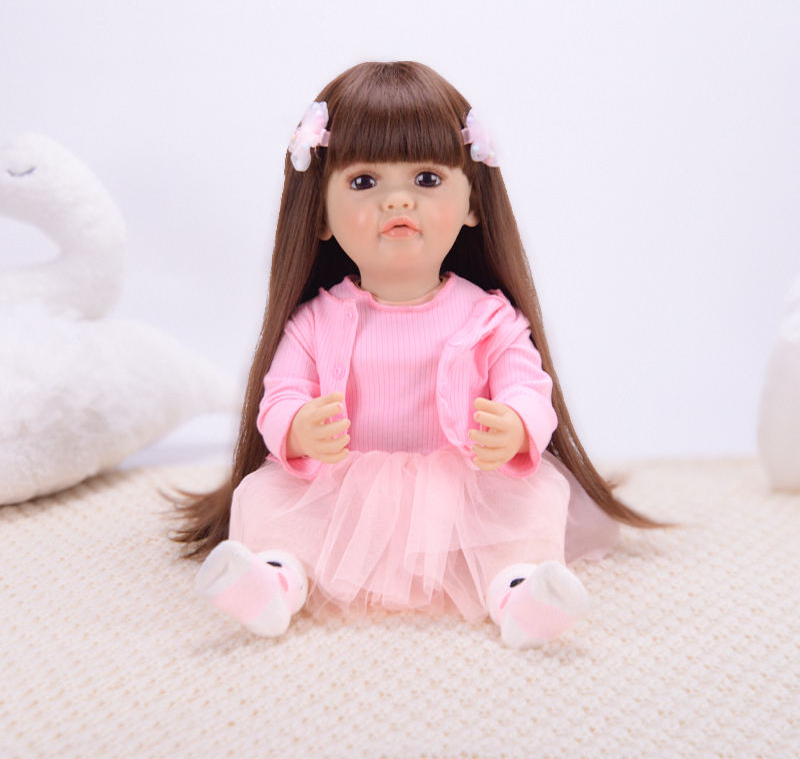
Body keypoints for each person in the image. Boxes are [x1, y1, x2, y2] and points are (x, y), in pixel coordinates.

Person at [171, 61, 661, 649]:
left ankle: (518, 591)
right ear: (320, 214)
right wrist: (297, 429)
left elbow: (529, 389)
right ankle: (275, 581)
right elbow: (280, 397)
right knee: (263, 496)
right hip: (342, 488)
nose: (397, 200)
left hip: (464, 487)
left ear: (473, 204)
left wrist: (516, 426)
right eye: (364, 182)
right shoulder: (315, 321)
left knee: (534, 498)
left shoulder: (490, 318)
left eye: (427, 179)